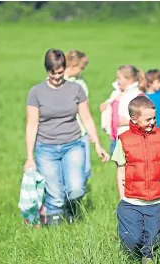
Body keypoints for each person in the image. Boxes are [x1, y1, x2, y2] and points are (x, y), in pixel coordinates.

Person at [24, 49, 109, 226]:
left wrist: (97, 144)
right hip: (46, 148)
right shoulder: (36, 92)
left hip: (73, 144)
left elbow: (86, 117)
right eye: (52, 74)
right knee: (55, 195)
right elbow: (32, 125)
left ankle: (72, 210)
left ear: (65, 68)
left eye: (60, 73)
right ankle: (56, 235)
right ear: (47, 70)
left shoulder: (76, 89)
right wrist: (30, 157)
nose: (56, 78)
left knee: (76, 189)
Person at [111, 96, 160, 264]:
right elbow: (121, 170)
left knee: (152, 237)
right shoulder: (124, 139)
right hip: (132, 199)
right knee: (131, 239)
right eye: (148, 119)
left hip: (158, 198)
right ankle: (135, 254)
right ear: (134, 119)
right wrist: (122, 197)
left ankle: (149, 261)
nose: (152, 122)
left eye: (154, 118)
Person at [100, 65, 146, 154]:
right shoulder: (116, 93)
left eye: (119, 78)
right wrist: (106, 106)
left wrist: (128, 122)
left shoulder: (137, 96)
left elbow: (146, 119)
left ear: (129, 80)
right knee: (120, 167)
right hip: (116, 139)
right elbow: (112, 106)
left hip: (132, 141)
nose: (117, 81)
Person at [64, 50, 91, 181]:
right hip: (65, 132)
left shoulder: (80, 83)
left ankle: (75, 199)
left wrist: (90, 132)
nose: (81, 71)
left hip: (82, 131)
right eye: (81, 68)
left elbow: (85, 111)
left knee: (85, 170)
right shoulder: (56, 81)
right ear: (73, 66)